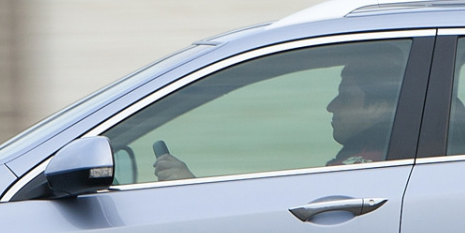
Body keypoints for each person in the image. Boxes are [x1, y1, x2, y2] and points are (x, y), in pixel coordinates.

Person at [153, 50, 402, 181]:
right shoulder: (380, 159)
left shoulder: (361, 168)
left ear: (378, 108)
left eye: (345, 98)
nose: (331, 106)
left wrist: (191, 187)